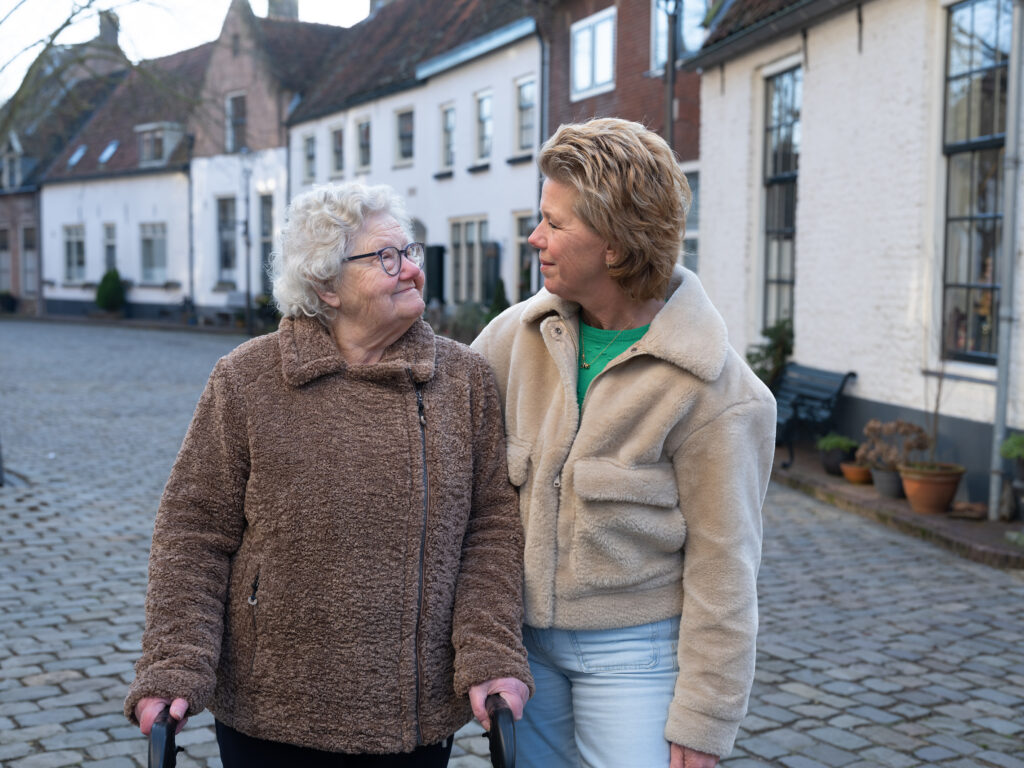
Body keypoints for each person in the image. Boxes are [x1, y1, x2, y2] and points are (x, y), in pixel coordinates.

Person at [126, 181, 532, 767]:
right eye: (385, 257)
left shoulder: (463, 380)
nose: (411, 269)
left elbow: (490, 528)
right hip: (273, 707)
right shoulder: (247, 378)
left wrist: (491, 655)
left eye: (410, 251)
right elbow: (194, 530)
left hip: (411, 711)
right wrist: (173, 663)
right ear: (326, 286)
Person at [472, 118, 776, 768]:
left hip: (635, 658)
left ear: (612, 245)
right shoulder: (510, 338)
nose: (535, 237)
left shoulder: (719, 392)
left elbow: (725, 570)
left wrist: (705, 719)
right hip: (522, 649)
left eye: (554, 222)